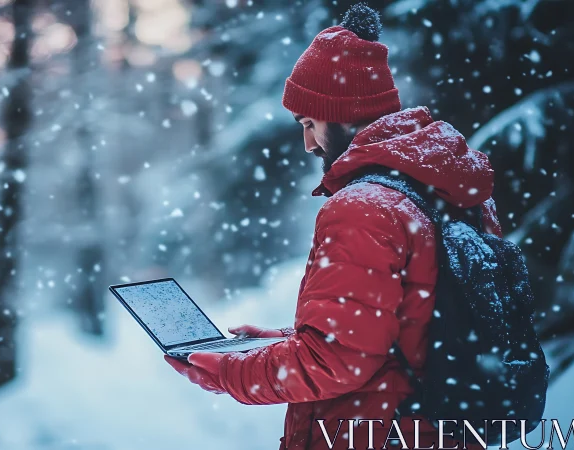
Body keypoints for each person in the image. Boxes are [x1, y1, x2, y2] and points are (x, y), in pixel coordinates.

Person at [165, 4, 503, 450]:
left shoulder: (364, 206)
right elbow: (407, 329)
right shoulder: (445, 191)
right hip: (445, 430)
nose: (307, 143)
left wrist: (227, 371)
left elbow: (335, 363)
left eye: (310, 124)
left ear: (344, 113)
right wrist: (290, 341)